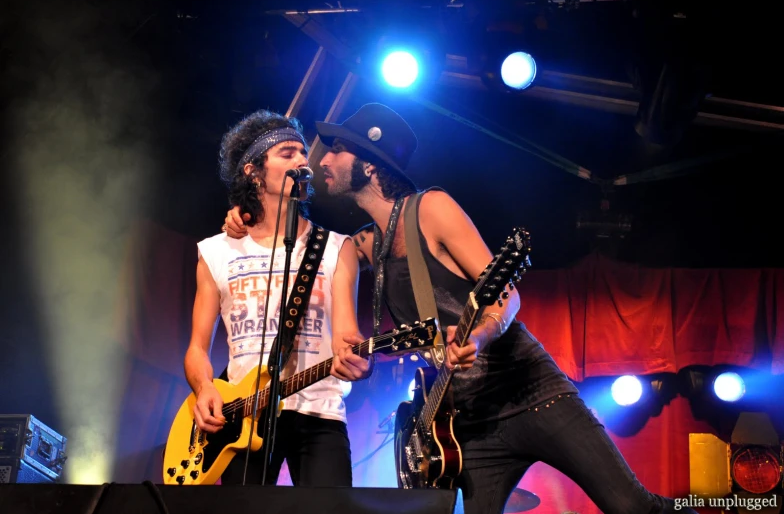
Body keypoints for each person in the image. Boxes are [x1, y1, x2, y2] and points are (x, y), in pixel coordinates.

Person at [222, 103, 697, 513]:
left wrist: (478, 335)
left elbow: (506, 293)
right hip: (467, 423)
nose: (322, 160)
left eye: (337, 150)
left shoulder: (433, 209)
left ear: (368, 165)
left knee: (632, 506)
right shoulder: (365, 243)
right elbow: (310, 247)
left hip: (531, 393)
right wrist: (246, 218)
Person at [184, 109, 372, 488]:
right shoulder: (216, 251)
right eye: (287, 153)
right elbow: (197, 349)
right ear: (253, 170)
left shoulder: (338, 248)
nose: (303, 161)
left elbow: (346, 336)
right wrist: (204, 388)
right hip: (243, 415)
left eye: (303, 153)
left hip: (320, 412)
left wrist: (354, 356)